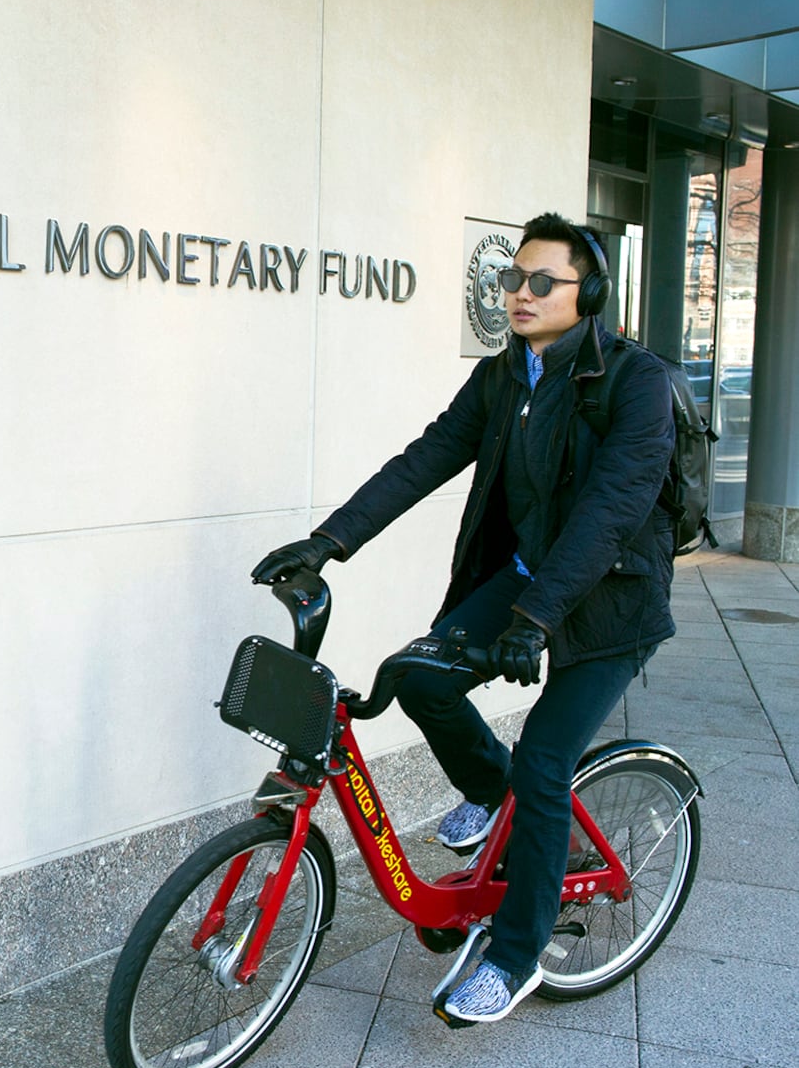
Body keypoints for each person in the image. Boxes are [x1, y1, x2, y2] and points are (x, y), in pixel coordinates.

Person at [251, 212, 676, 1025]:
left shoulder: (634, 381)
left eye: (540, 281)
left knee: (548, 758)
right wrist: (327, 541)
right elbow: (426, 457)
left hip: (607, 601)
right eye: (511, 279)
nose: (518, 293)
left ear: (590, 293)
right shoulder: (505, 375)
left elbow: (611, 513)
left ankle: (516, 955)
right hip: (523, 584)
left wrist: (537, 618)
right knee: (416, 679)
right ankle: (493, 789)